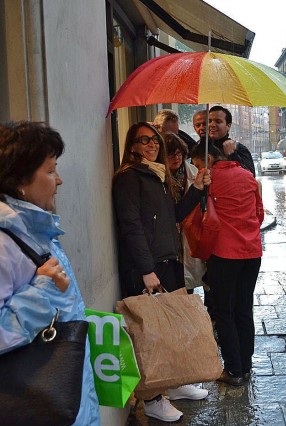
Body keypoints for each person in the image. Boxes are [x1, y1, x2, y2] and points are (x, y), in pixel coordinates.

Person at [0, 121, 101, 425]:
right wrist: (42, 291)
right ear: (20, 179)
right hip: (37, 404)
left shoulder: (34, 230)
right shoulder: (6, 242)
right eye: (50, 170)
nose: (60, 180)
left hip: (66, 399)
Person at [112, 122, 210, 422]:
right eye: (144, 140)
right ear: (132, 146)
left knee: (172, 328)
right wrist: (146, 269)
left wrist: (196, 189)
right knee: (151, 334)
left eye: (154, 140)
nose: (152, 145)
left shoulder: (159, 174)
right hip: (148, 266)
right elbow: (131, 225)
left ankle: (176, 383)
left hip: (168, 261)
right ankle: (153, 398)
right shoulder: (129, 177)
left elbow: (176, 215)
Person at [190, 142, 264, 386]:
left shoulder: (209, 180)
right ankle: (245, 363)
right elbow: (259, 213)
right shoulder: (248, 175)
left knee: (224, 311)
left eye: (198, 164)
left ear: (208, 158)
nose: (198, 169)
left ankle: (233, 370)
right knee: (244, 309)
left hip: (224, 254)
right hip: (252, 252)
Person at [163, 132, 206, 294]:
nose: (176, 158)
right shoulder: (159, 178)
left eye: (179, 153)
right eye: (171, 154)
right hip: (169, 242)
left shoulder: (194, 173)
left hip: (190, 235)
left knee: (188, 286)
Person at [199, 105, 255, 176]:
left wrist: (232, 155)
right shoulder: (202, 148)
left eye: (218, 121)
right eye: (209, 121)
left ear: (228, 126)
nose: (212, 125)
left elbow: (250, 177)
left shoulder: (238, 149)